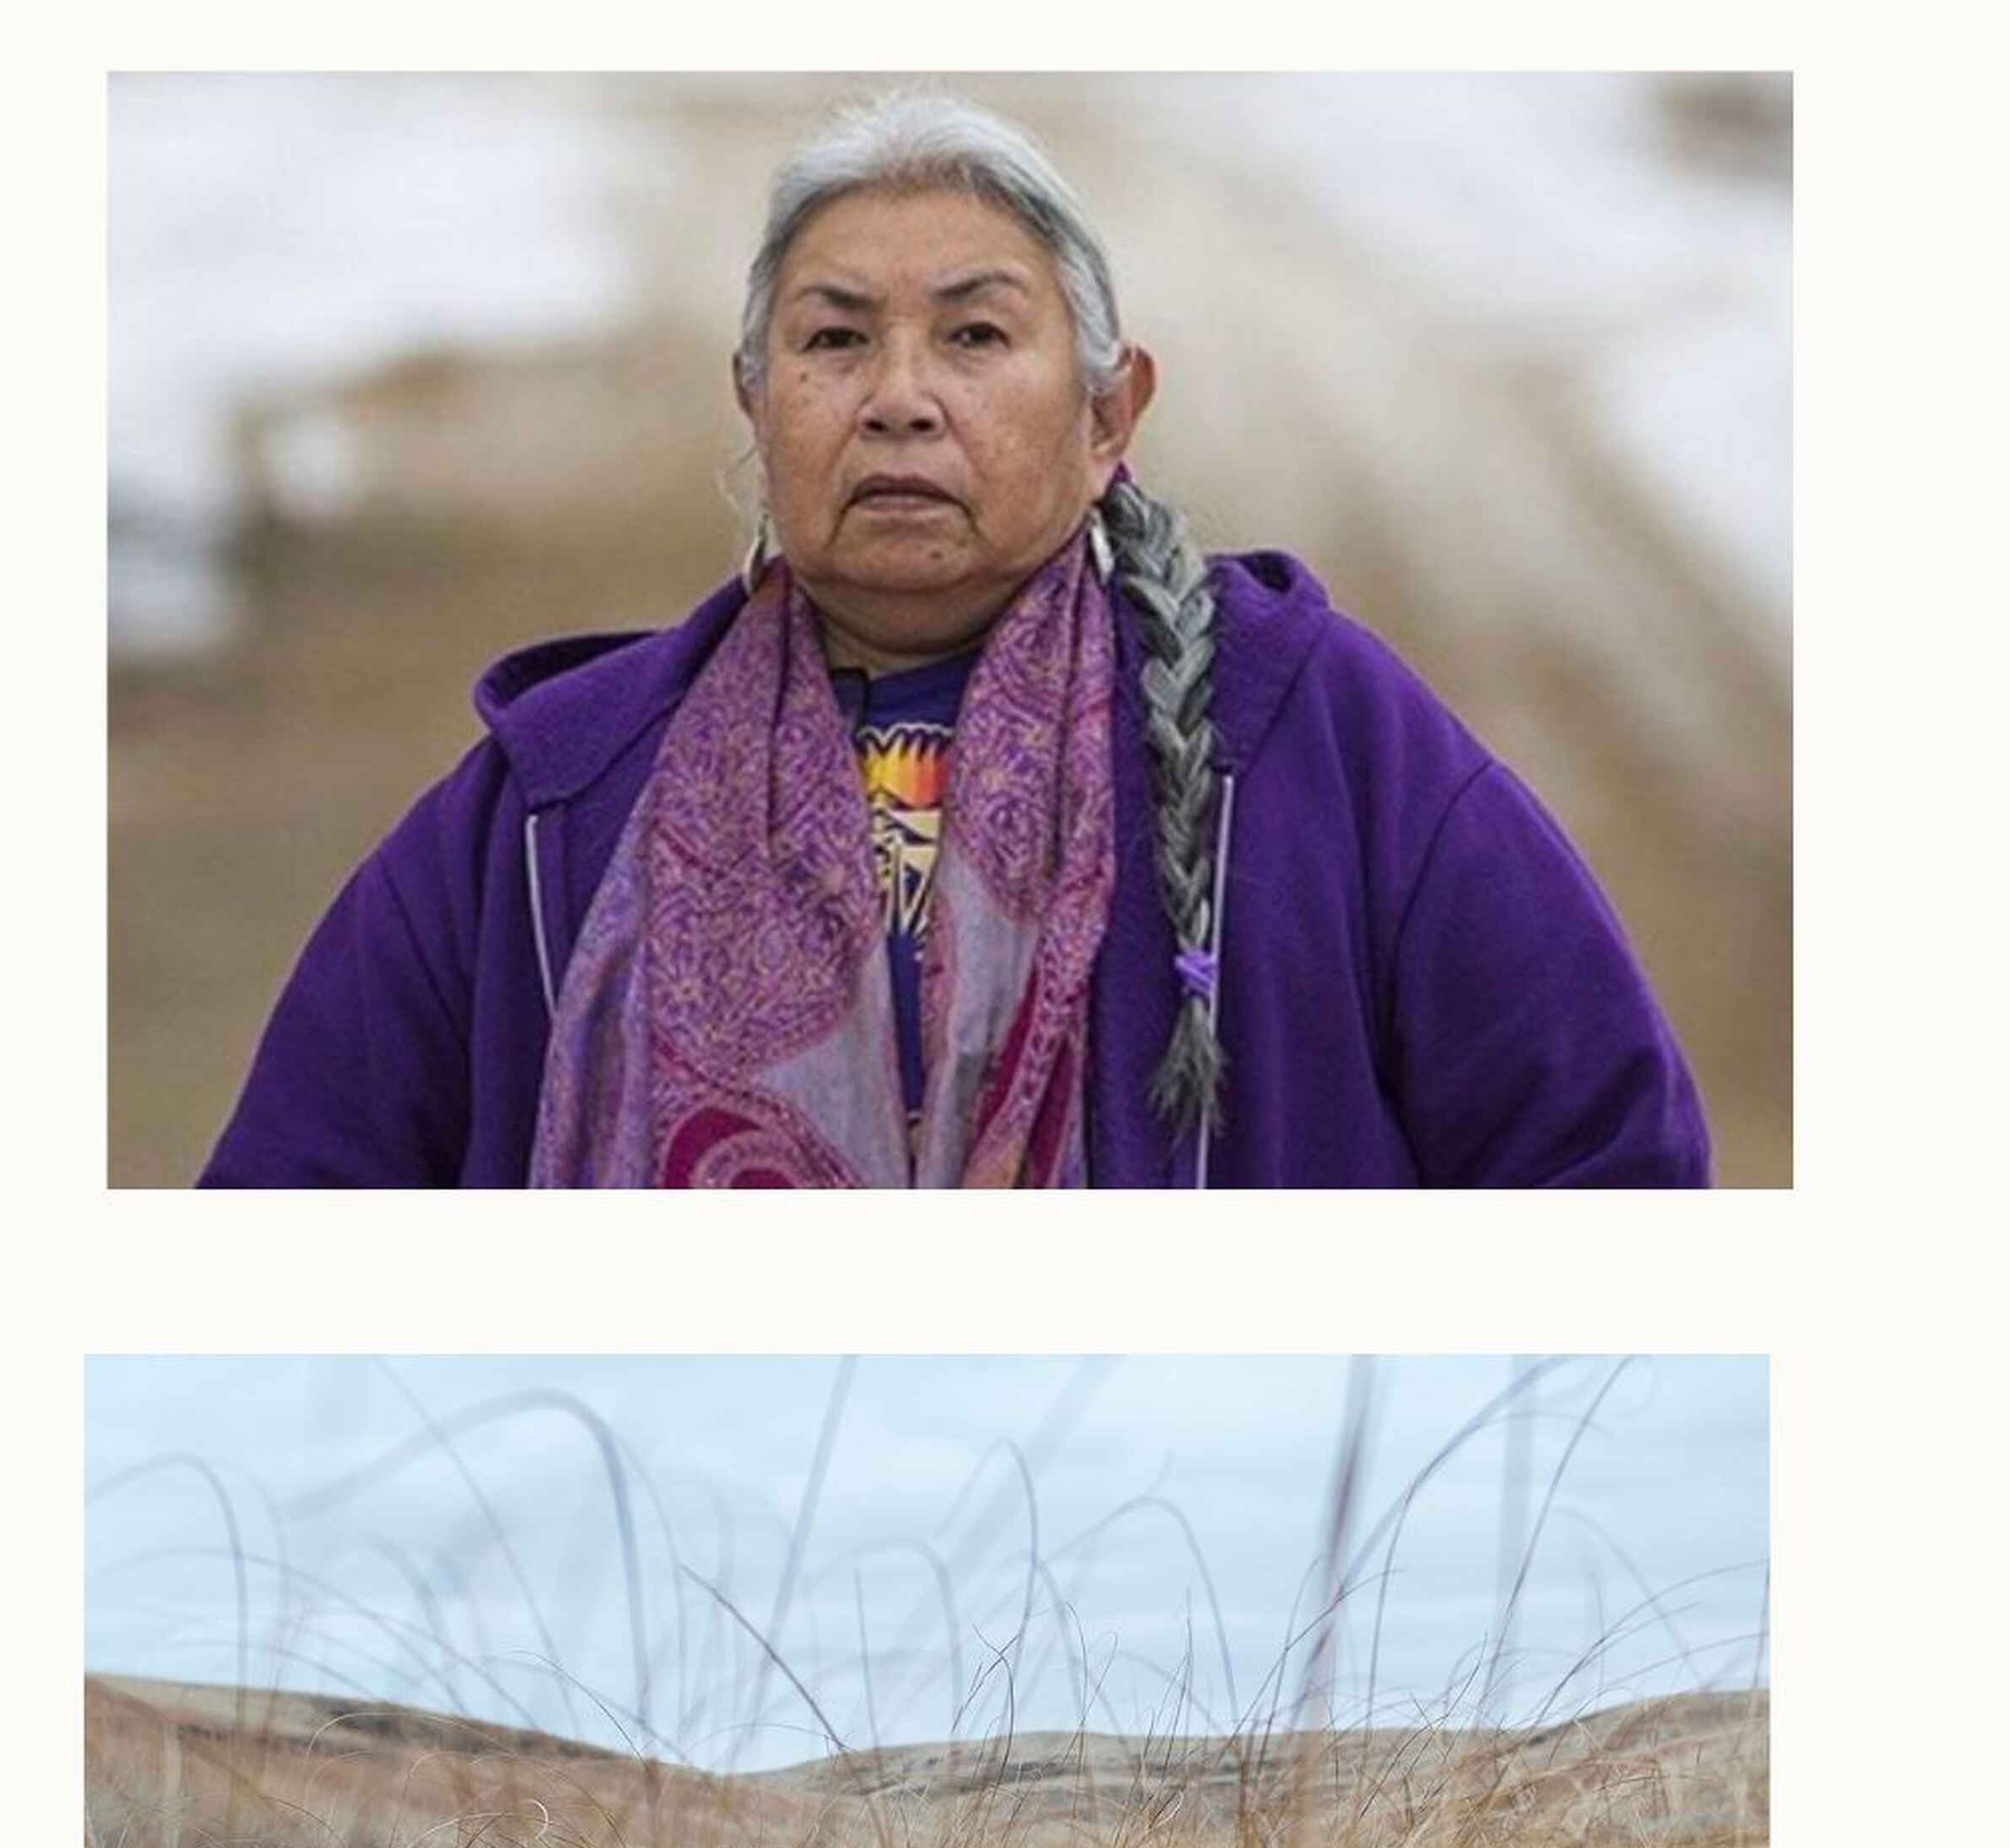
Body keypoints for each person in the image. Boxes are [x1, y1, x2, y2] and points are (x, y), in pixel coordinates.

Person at [200, 91, 1710, 1189]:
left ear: (1110, 413)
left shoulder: (1314, 739)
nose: (900, 397)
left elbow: (1607, 1168)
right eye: (835, 338)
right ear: (757, 402)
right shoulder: (546, 812)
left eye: (977, 337)